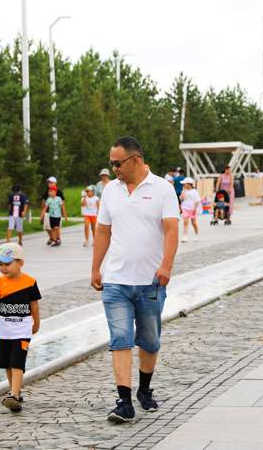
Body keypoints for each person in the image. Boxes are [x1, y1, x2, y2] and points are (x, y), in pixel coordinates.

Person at [91, 136, 180, 423]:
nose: (113, 168)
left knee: (150, 340)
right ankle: (124, 402)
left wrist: (166, 265)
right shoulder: (110, 192)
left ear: (136, 160)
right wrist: (96, 267)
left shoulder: (163, 190)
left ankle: (144, 389)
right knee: (120, 338)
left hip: (151, 281)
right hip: (116, 280)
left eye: (117, 163)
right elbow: (103, 231)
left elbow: (171, 230)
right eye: (111, 163)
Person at [0, 243, 41, 413]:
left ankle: (13, 395)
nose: (3, 268)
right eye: (0, 264)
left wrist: (37, 322)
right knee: (7, 364)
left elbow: (34, 305)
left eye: (7, 264)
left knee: (17, 362)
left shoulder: (30, 282)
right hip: (4, 330)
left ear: (20, 263)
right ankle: (15, 392)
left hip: (22, 330)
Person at [179, 177, 201, 242]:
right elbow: (181, 198)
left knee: (193, 222)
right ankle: (185, 236)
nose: (183, 185)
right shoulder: (184, 190)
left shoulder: (194, 191)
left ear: (189, 184)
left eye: (184, 184)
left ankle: (197, 234)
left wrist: (195, 208)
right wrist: (183, 191)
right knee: (185, 222)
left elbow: (197, 200)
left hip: (192, 209)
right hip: (185, 208)